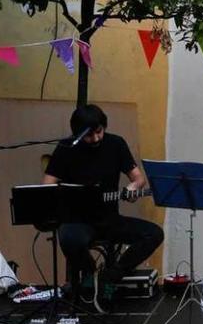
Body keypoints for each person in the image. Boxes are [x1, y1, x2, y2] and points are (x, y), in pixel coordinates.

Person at [43, 104, 164, 287]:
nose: (96, 138)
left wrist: (133, 187)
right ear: (78, 134)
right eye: (89, 135)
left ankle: (111, 275)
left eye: (99, 131)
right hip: (78, 222)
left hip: (109, 219)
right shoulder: (66, 148)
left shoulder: (116, 144)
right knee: (68, 239)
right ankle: (91, 276)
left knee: (153, 234)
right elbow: (46, 185)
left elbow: (138, 179)